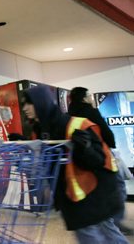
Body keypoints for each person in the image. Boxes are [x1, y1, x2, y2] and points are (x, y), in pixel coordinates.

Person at [21, 85, 128, 244]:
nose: (25, 108)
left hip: (89, 193)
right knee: (108, 232)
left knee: (92, 236)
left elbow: (98, 159)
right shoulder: (40, 129)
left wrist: (85, 147)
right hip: (78, 194)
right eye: (24, 104)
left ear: (41, 102)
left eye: (29, 103)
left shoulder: (74, 124)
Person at [68, 86, 133, 236]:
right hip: (101, 158)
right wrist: (112, 145)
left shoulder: (69, 114)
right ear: (84, 98)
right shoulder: (91, 111)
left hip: (81, 163)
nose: (91, 98)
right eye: (89, 95)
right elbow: (107, 135)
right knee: (118, 188)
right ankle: (115, 224)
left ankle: (105, 224)